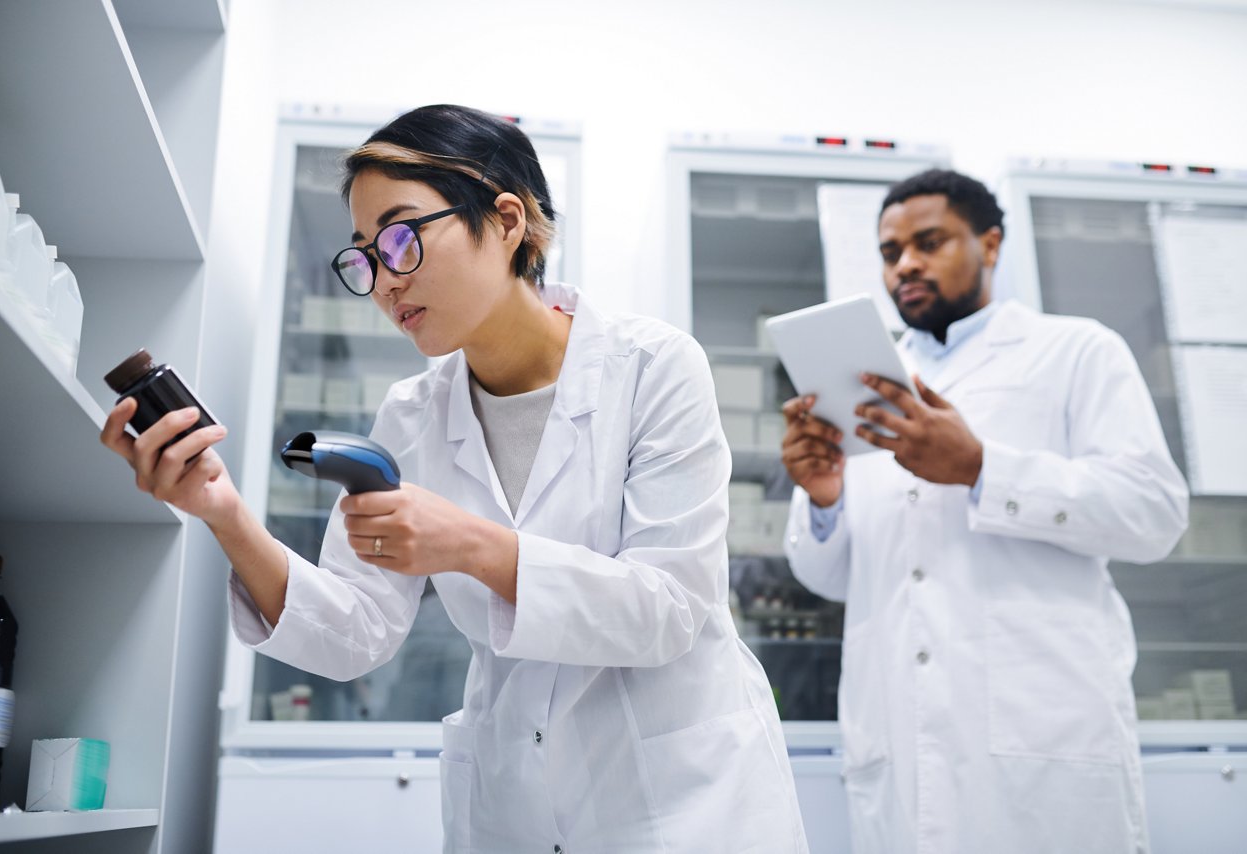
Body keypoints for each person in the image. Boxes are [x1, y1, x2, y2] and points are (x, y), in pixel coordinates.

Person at [103, 104, 808, 853]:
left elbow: (667, 610)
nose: (383, 282)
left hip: (681, 805)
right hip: (516, 806)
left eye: (403, 238)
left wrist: (473, 546)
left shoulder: (656, 368)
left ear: (507, 220)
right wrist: (223, 512)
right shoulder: (410, 415)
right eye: (365, 258)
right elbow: (355, 631)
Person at [780, 169, 1188, 854]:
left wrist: (980, 468)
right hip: (899, 748)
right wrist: (825, 499)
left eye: (929, 242)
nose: (905, 263)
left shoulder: (1074, 351)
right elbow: (836, 579)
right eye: (890, 252)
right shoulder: (864, 382)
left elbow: (1154, 512)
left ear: (990, 243)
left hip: (1042, 748)